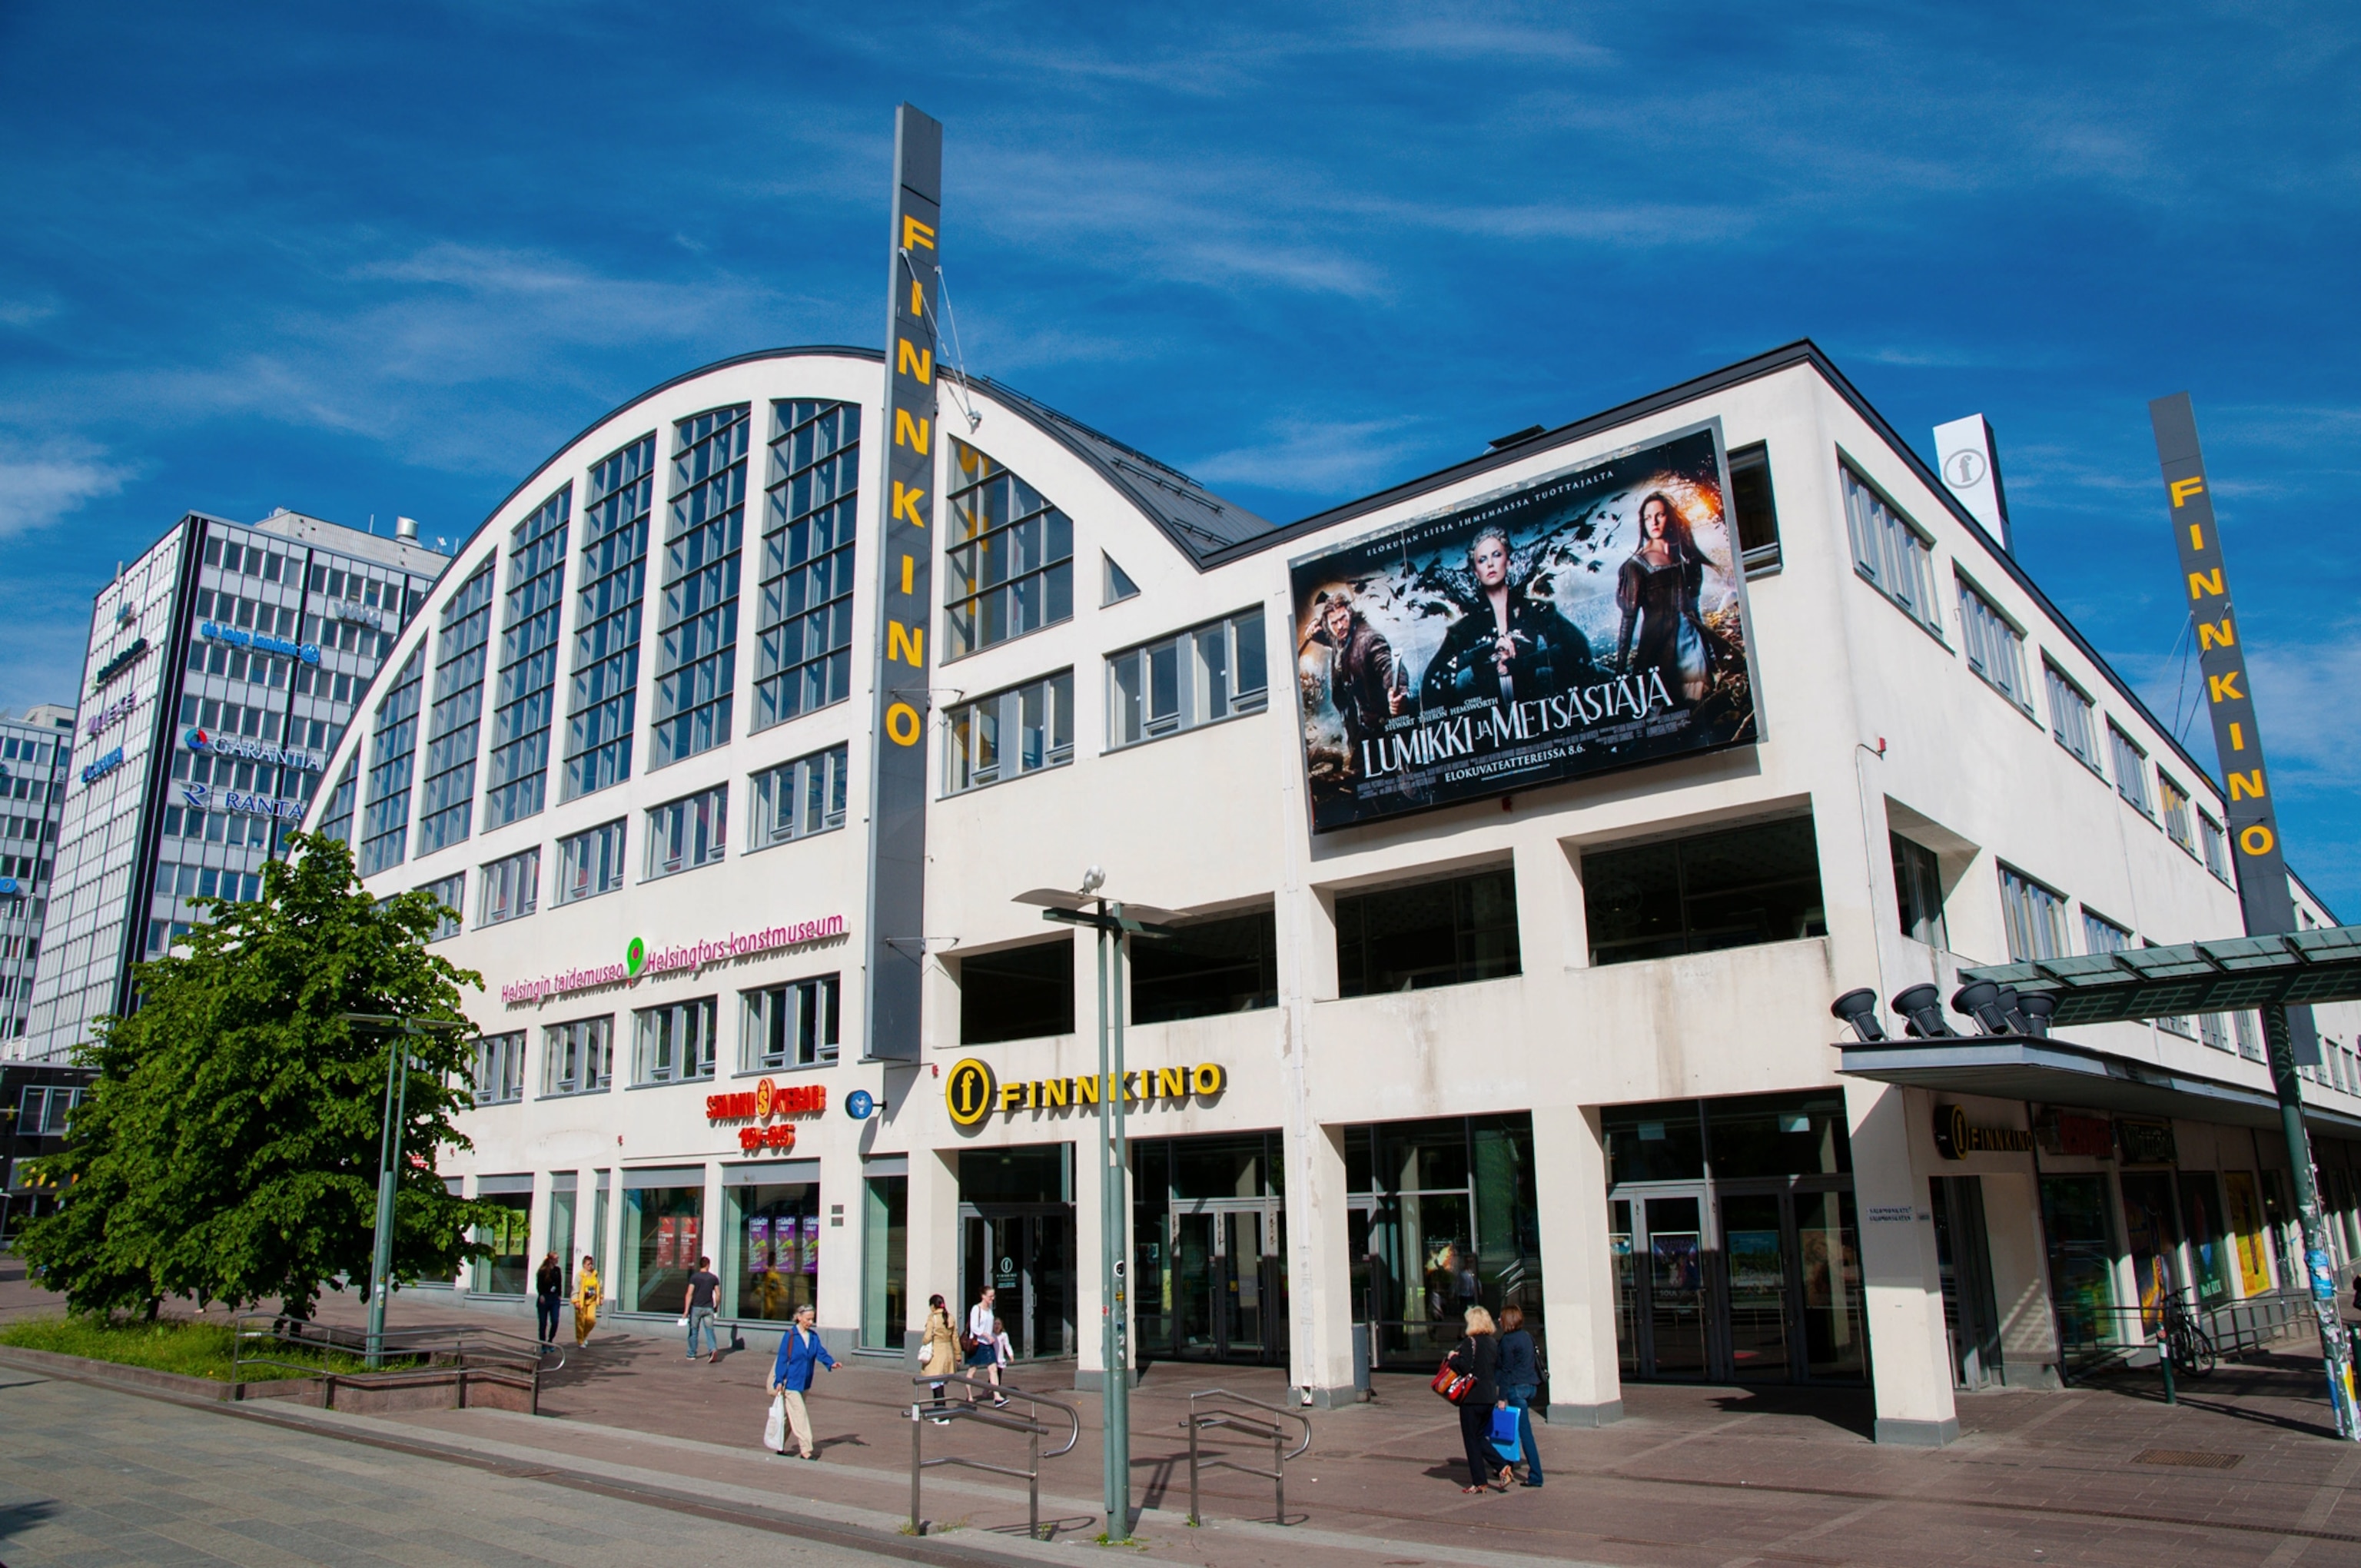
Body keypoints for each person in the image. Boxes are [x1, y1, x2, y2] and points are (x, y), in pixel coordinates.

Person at [1420, 527, 1599, 711]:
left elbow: (1575, 649)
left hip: (1535, 717)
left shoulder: (1536, 610)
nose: (1490, 564)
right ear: (1475, 571)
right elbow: (1434, 678)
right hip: (1490, 728)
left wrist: (1521, 664)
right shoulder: (1466, 628)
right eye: (1482, 560)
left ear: (1509, 561)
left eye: (1496, 555)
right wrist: (1487, 649)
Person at [1615, 492, 1716, 706]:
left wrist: (1709, 650)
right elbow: (1628, 618)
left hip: (1692, 646)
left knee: (1698, 709)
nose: (1654, 522)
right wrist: (1620, 667)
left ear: (1669, 517)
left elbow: (1694, 609)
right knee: (1660, 716)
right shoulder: (1634, 567)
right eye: (1648, 517)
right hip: (1658, 649)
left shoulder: (1688, 560)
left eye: (1659, 515)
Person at [1307, 592, 1403, 773]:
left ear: (1350, 613)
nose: (1340, 626)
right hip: (1359, 723)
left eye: (1343, 618)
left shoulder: (1368, 639)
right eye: (1334, 623)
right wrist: (1314, 628)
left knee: (1368, 778)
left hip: (1379, 724)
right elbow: (1328, 636)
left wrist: (1398, 692)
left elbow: (1388, 666)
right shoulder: (1339, 636)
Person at [1445, 1304, 1508, 1495]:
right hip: (1488, 1396)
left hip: (1471, 1397)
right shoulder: (1492, 1343)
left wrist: (1452, 1358)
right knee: (1480, 1436)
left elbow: (1464, 1367)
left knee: (1471, 1439)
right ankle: (1500, 1467)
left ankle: (1480, 1480)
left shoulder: (1469, 1342)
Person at [767, 1302, 837, 1461]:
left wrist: (831, 1363)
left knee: (790, 1418)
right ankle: (806, 1450)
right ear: (799, 1318)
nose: (810, 1322)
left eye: (812, 1319)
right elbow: (782, 1359)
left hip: (805, 1382)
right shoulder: (791, 1336)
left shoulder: (813, 1337)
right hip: (790, 1383)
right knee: (800, 1415)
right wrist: (779, 1380)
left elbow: (820, 1352)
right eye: (807, 1319)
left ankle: (779, 1444)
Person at [1495, 1305, 1543, 1488]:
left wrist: (1501, 1397)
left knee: (1525, 1433)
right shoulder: (1527, 1336)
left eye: (1501, 1318)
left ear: (1507, 1320)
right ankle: (1506, 1465)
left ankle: (1536, 1475)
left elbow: (1506, 1370)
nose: (1498, 1320)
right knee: (1512, 1428)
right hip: (1531, 1386)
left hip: (1517, 1388)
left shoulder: (1507, 1341)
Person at [966, 1286, 1008, 1407]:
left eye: (993, 1296)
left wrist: (993, 1336)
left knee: (993, 1369)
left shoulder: (990, 1310)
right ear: (983, 1296)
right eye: (990, 1296)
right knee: (972, 1370)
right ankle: (969, 1395)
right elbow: (974, 1327)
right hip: (978, 1343)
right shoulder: (976, 1309)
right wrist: (986, 1335)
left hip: (988, 1344)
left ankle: (997, 1397)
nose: (992, 1299)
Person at [921, 1293, 958, 1422]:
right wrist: (958, 1355)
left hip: (936, 1354)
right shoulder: (950, 1317)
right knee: (940, 1383)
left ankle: (941, 1414)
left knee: (937, 1385)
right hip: (948, 1353)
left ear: (932, 1306)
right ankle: (937, 1411)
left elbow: (927, 1337)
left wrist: (925, 1341)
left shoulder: (933, 1318)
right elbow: (955, 1338)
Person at [684, 1254, 722, 1363]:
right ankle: (713, 1349)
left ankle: (691, 1353)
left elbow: (689, 1294)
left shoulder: (694, 1277)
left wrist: (686, 1311)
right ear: (708, 1265)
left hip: (696, 1307)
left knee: (694, 1331)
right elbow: (718, 1294)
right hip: (709, 1307)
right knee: (709, 1330)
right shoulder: (713, 1278)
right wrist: (717, 1306)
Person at [533, 1252, 564, 1347]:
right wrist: (541, 1294)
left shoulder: (557, 1270)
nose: (557, 1260)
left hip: (554, 1298)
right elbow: (539, 1284)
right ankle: (543, 1343)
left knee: (555, 1320)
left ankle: (550, 1340)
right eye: (556, 1258)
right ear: (550, 1259)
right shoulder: (543, 1271)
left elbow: (559, 1283)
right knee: (543, 1322)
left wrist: (559, 1294)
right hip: (545, 1298)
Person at [571, 1256, 601, 1346]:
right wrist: (575, 1301)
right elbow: (575, 1288)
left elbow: (599, 1286)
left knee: (591, 1321)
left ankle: (584, 1336)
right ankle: (580, 1340)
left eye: (591, 1264)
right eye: (588, 1264)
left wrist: (601, 1297)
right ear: (584, 1265)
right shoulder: (580, 1276)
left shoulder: (595, 1274)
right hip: (581, 1301)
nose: (590, 1266)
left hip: (591, 1301)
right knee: (581, 1321)